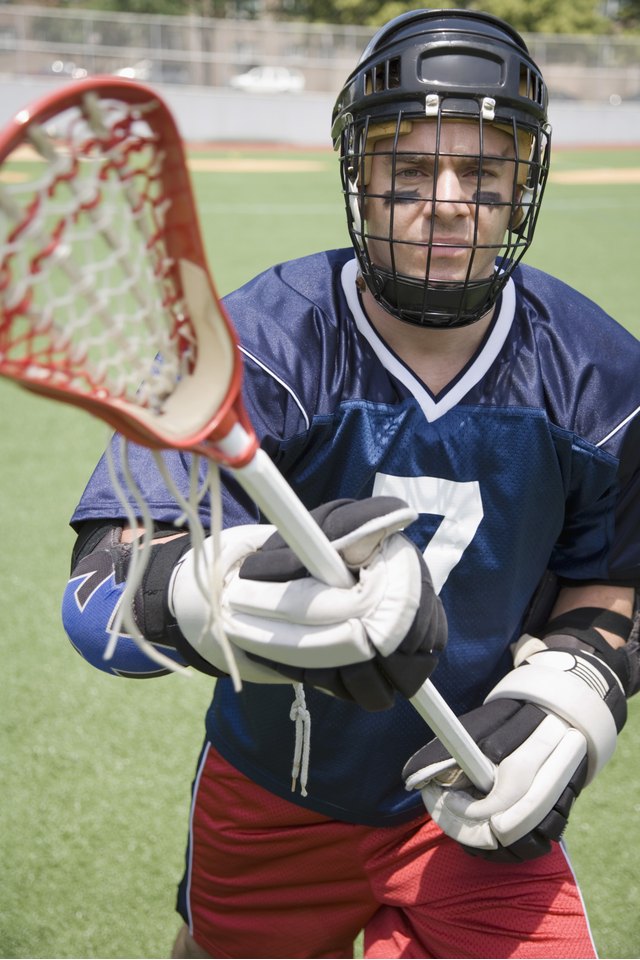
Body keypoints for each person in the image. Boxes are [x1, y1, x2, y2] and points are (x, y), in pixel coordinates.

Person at [62, 8, 640, 959]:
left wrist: (575, 694)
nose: (447, 201)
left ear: (521, 187)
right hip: (275, 790)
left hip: (474, 792)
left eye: (482, 174)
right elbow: (96, 591)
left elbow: (610, 580)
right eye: (410, 171)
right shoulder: (261, 339)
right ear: (359, 181)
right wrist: (215, 595)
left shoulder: (600, 377)